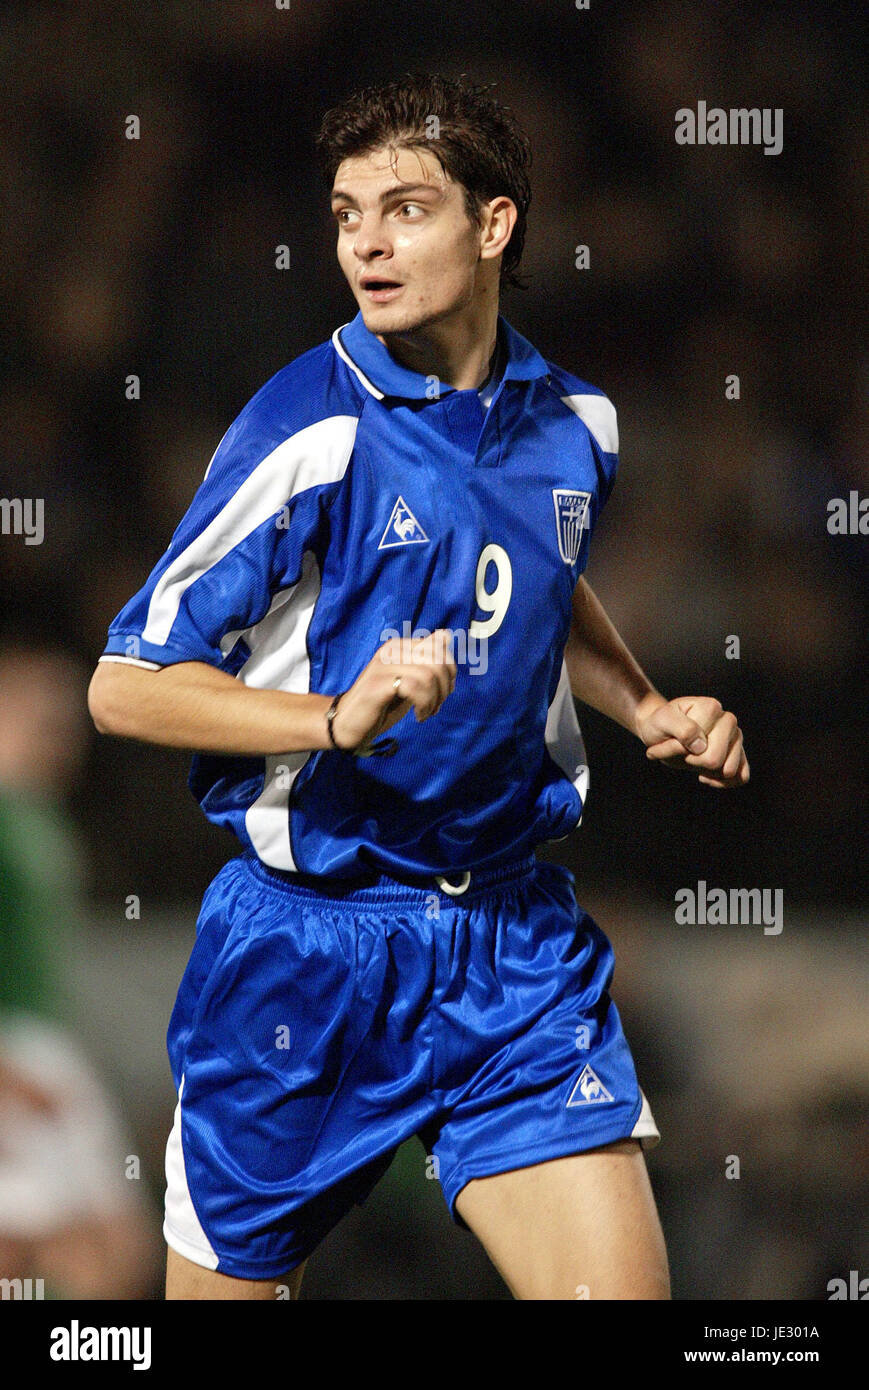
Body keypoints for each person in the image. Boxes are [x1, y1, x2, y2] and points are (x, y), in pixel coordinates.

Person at [88, 73, 748, 1301]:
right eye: (345, 216)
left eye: (403, 208)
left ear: (494, 226)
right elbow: (125, 685)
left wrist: (649, 705)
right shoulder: (308, 429)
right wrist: (333, 722)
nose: (366, 244)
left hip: (511, 945)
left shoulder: (576, 424)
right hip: (302, 955)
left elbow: (542, 585)